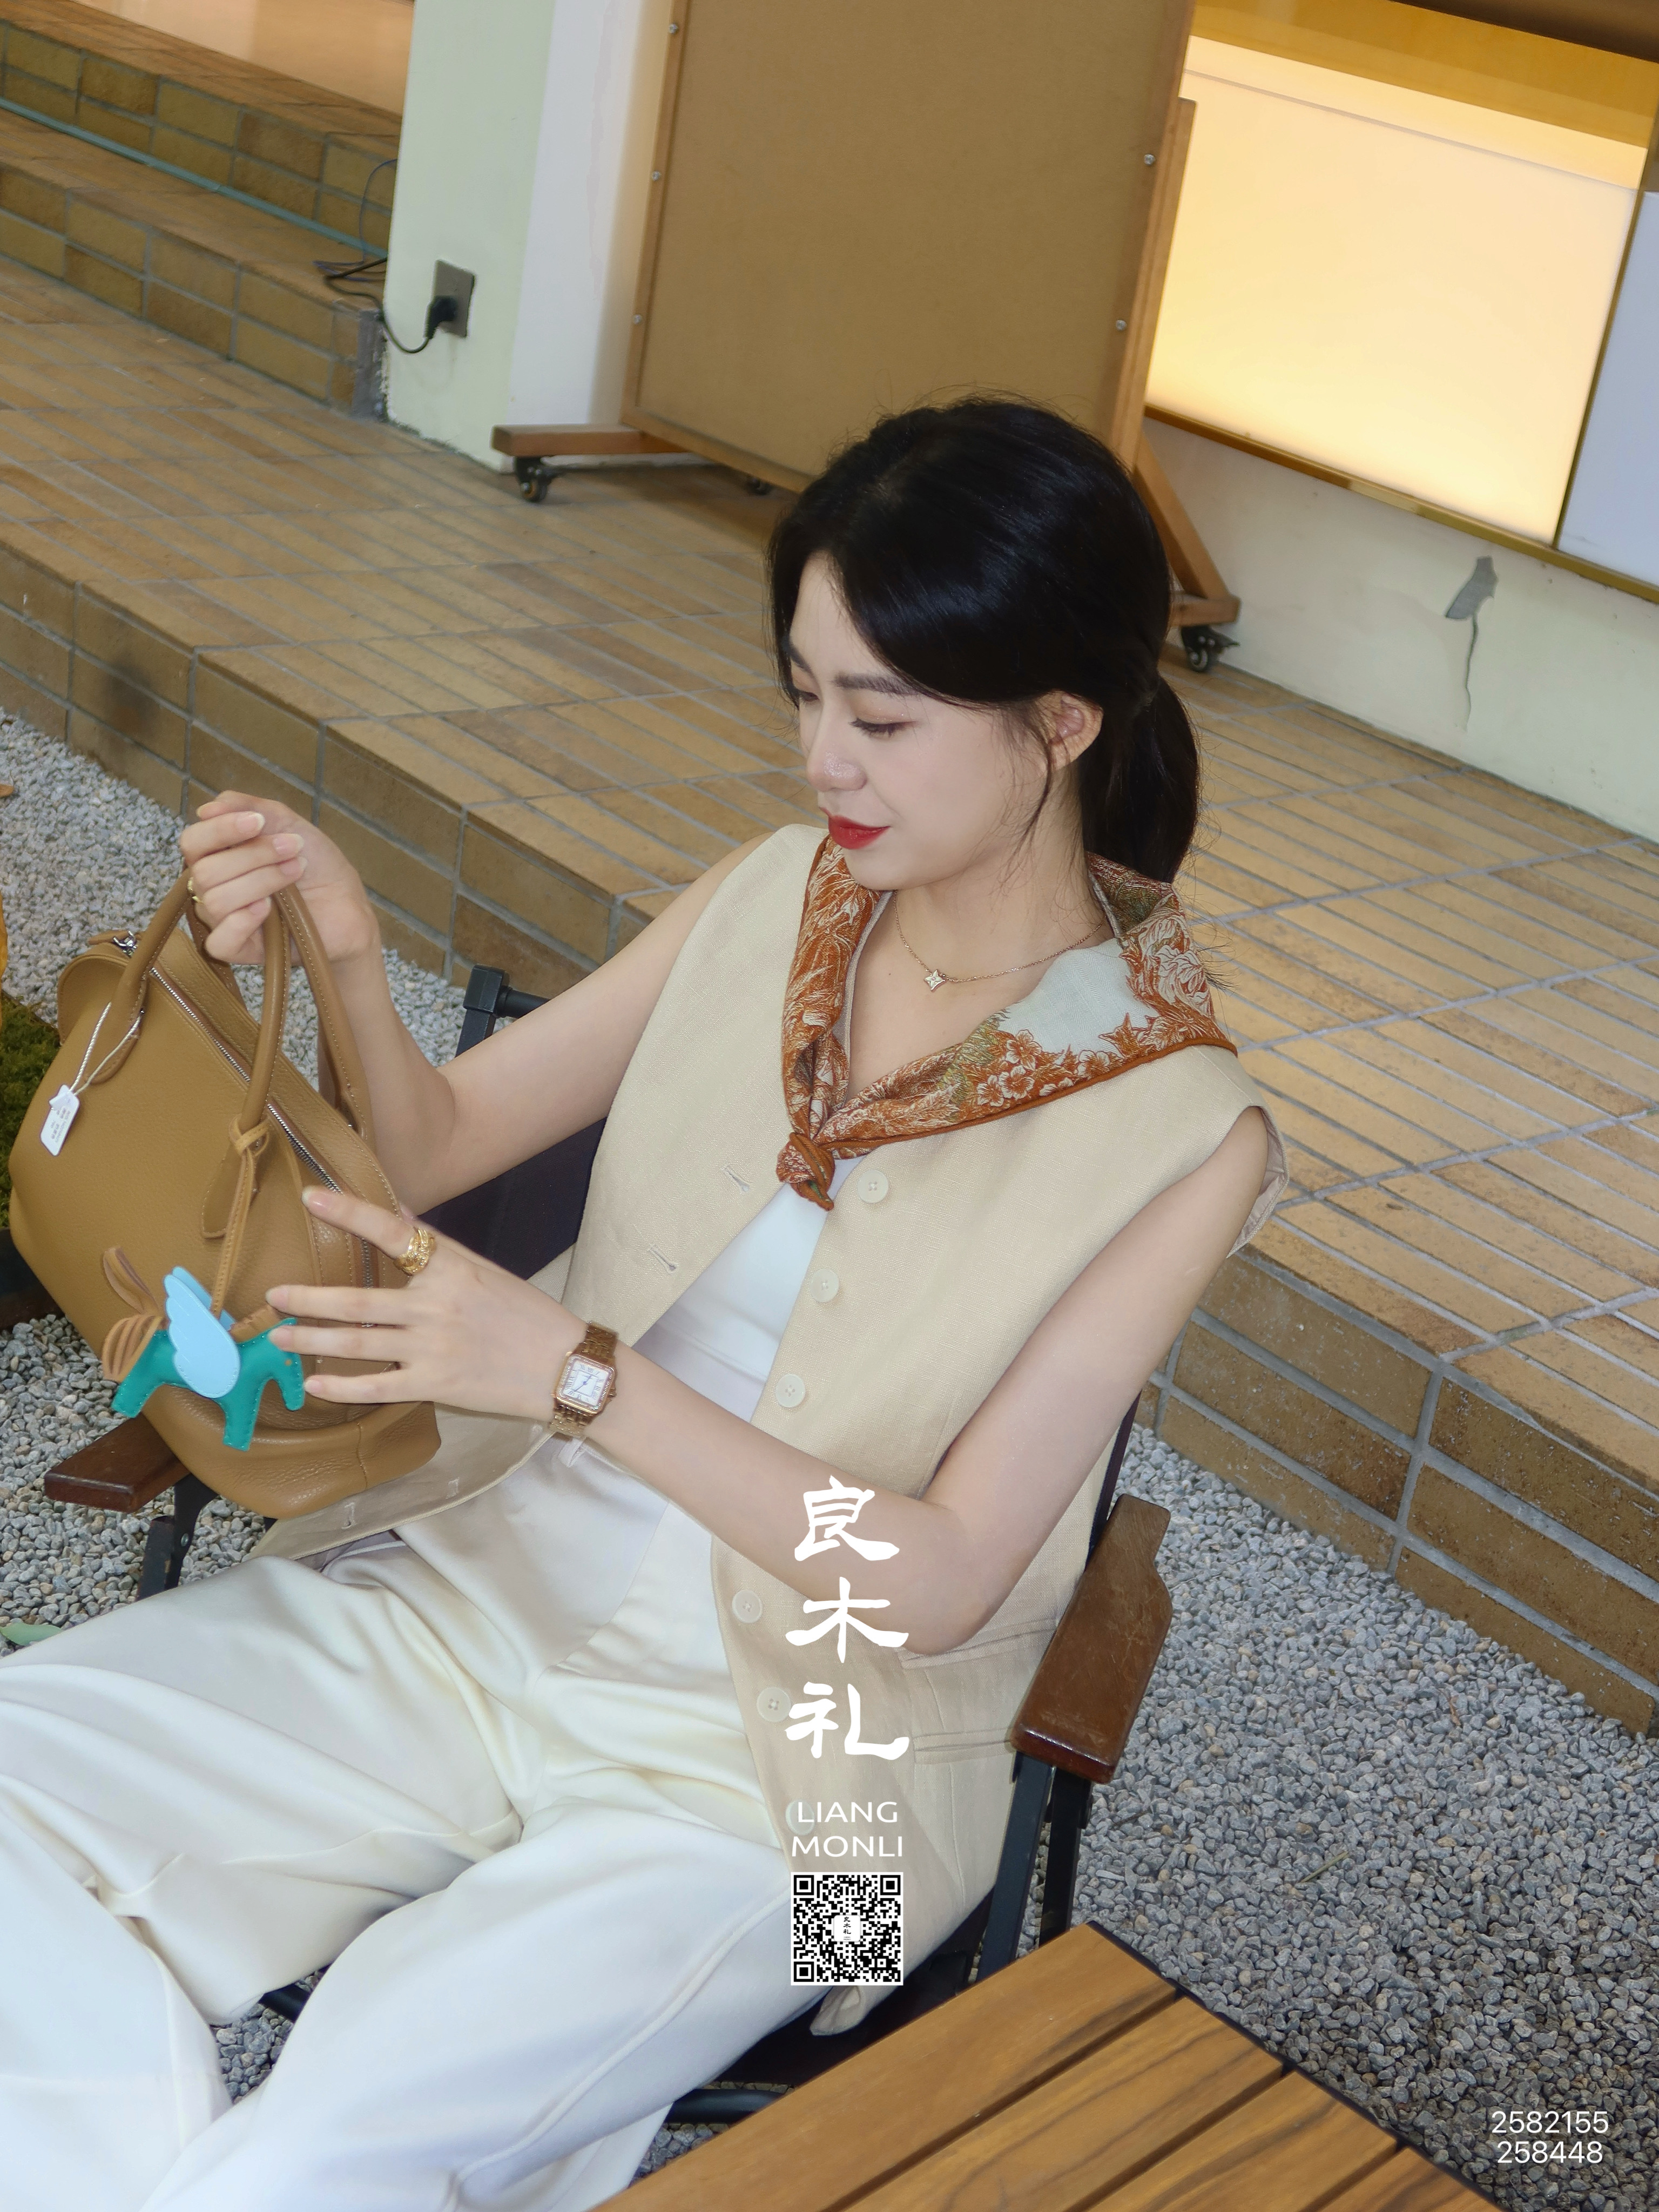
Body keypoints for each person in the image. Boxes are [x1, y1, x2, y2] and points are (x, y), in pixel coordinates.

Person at [0, 398, 1284, 2211]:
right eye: (805, 694)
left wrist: (576, 1375)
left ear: (1061, 724)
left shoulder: (1188, 1128)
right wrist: (350, 948)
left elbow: (937, 1581)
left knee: (339, 2144)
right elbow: (436, 1148)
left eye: (884, 719)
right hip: (469, 1586)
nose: (824, 761)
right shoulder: (780, 895)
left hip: (824, 1788)